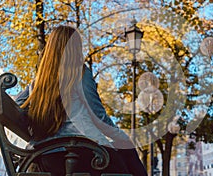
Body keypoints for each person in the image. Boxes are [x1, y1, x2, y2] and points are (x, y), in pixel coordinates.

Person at [15, 25, 147, 176]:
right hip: (83, 154)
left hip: (45, 157)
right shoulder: (80, 72)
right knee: (127, 151)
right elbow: (98, 117)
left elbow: (17, 106)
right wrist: (124, 138)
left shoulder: (38, 82)